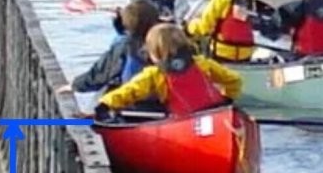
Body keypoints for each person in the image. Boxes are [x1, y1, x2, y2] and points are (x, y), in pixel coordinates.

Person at [95, 23, 242, 119]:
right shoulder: (201, 63)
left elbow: (130, 91)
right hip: (217, 114)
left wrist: (105, 104)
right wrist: (228, 99)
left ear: (154, 54)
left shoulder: (155, 74)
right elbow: (234, 80)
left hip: (186, 123)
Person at [59, 0, 160, 94]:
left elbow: (100, 74)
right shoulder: (166, 41)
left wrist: (75, 85)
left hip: (132, 98)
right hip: (160, 98)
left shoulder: (125, 45)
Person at [185, 0, 255, 62]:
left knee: (198, 40)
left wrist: (189, 27)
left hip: (223, 51)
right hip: (245, 51)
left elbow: (205, 26)